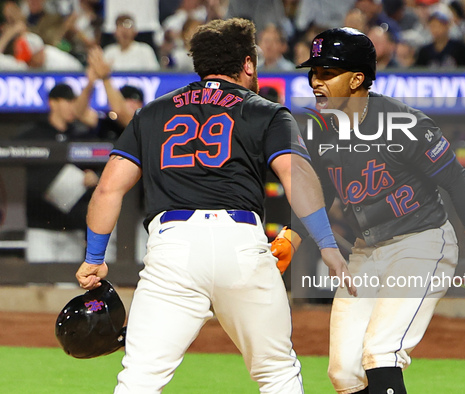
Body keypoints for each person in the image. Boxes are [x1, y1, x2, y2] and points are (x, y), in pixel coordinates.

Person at [74, 18, 355, 393]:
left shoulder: (153, 112)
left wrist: (94, 257)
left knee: (139, 378)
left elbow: (108, 188)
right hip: (240, 245)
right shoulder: (266, 111)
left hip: (172, 250)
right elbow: (296, 179)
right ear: (248, 64)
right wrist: (328, 245)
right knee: (276, 374)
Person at [293, 27, 465, 393]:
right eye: (314, 72)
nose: (316, 81)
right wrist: (291, 236)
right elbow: (321, 191)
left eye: (327, 73)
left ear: (358, 79)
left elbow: (456, 182)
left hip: (420, 244)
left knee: (381, 351)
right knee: (343, 372)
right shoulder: (323, 130)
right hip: (365, 251)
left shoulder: (405, 124)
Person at [16, 83, 98, 263]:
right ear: (53, 102)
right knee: (38, 287)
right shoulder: (33, 135)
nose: (72, 106)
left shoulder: (81, 136)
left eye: (74, 101)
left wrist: (94, 177)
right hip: (40, 227)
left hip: (73, 227)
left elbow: (102, 163)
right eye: (67, 101)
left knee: (69, 288)